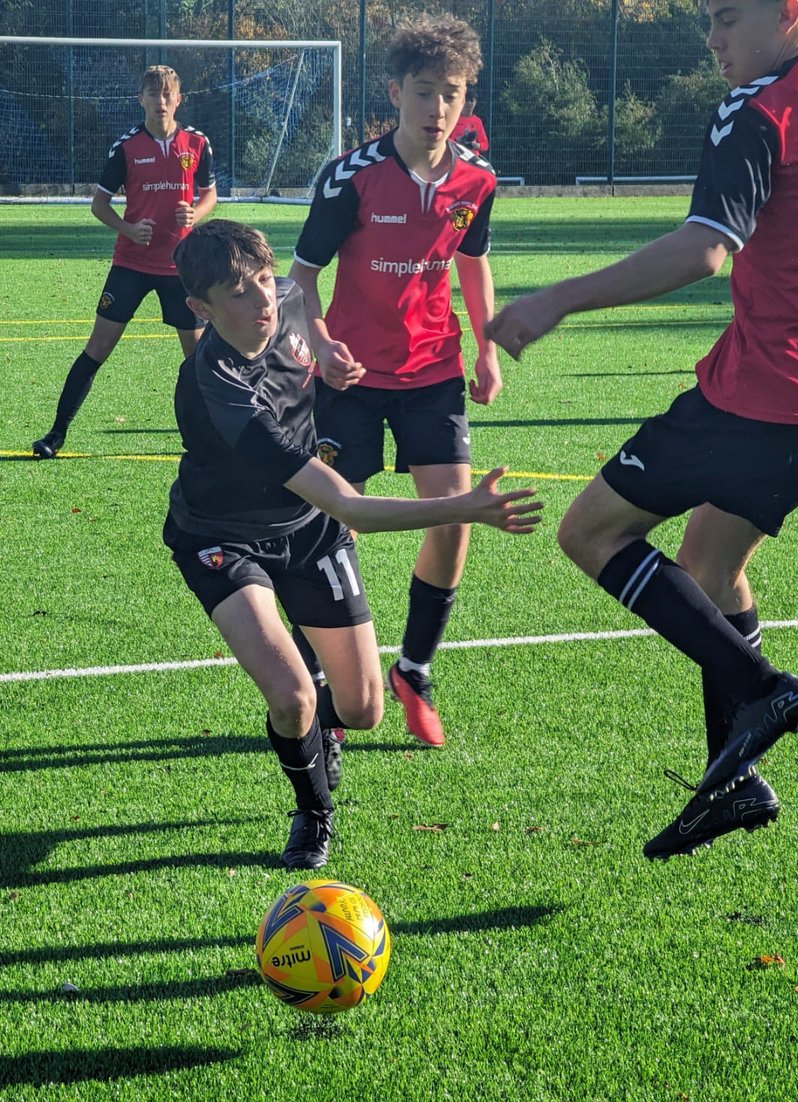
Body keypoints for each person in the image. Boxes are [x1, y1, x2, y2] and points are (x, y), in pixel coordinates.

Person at [487, 0, 798, 859]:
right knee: (711, 565)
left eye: (722, 17)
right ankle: (732, 776)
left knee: (590, 531)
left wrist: (556, 298)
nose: (710, 40)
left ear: (787, 11)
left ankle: (758, 690)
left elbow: (703, 249)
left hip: (754, 396)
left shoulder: (755, 109)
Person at [164, 219, 540, 871]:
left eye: (260, 281)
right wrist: (465, 508)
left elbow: (302, 304)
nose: (260, 302)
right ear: (199, 308)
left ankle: (324, 720)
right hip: (223, 538)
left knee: (363, 710)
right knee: (291, 696)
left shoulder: (284, 297)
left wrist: (328, 353)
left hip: (305, 532)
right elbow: (345, 504)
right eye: (237, 293)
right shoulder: (219, 388)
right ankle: (313, 816)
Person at [289, 13, 500, 750]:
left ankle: (414, 667)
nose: (436, 110)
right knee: (326, 525)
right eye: (422, 93)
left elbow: (470, 259)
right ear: (394, 93)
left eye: (450, 94)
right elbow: (301, 278)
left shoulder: (478, 178)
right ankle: (323, 679)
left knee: (452, 518)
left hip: (433, 371)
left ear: (464, 95)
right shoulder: (350, 176)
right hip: (348, 377)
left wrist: (486, 346)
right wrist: (318, 342)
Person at [33, 65, 217, 459]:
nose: (161, 101)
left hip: (182, 268)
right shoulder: (127, 147)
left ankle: (211, 439)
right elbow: (99, 204)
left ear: (179, 99)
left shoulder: (197, 143)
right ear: (141, 99)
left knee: (198, 359)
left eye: (168, 94)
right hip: (131, 265)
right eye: (153, 93)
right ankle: (56, 433)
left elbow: (210, 196)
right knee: (96, 348)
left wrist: (195, 214)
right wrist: (128, 228)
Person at [451, 86, 489, 156]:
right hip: (457, 156)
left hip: (472, 158)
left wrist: (475, 145)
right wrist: (458, 140)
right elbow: (446, 142)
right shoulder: (454, 119)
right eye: (466, 100)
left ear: (475, 102)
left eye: (471, 100)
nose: (469, 103)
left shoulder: (477, 121)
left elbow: (485, 145)